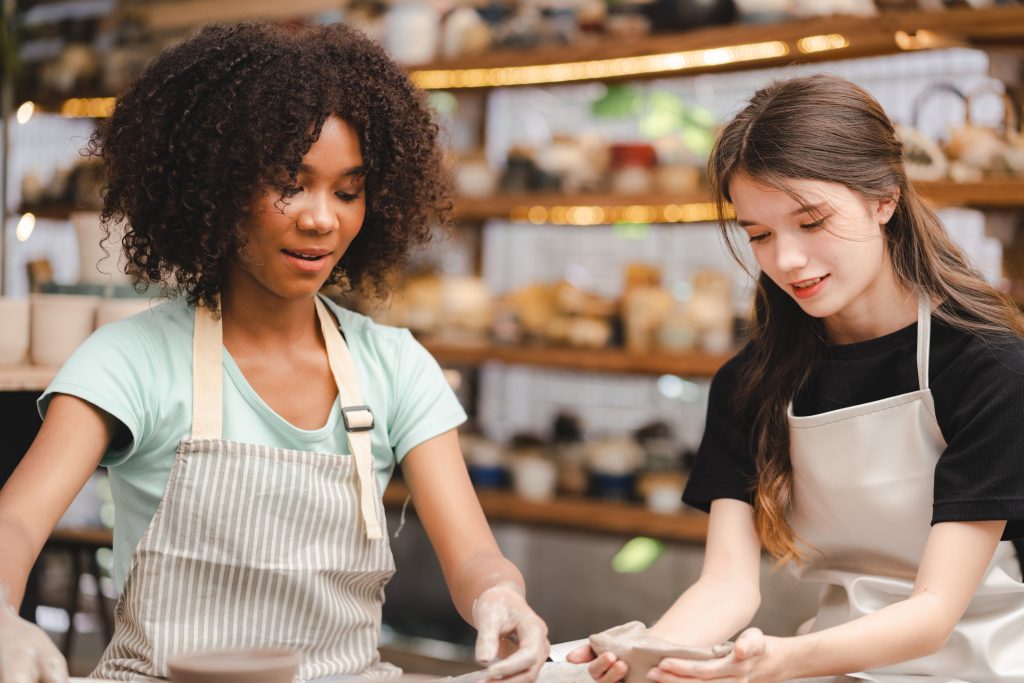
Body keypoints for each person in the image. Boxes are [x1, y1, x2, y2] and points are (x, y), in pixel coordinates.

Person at [0, 22, 549, 683]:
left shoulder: (395, 366)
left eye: (348, 190)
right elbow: (16, 524)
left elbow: (474, 559)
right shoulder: (128, 360)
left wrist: (500, 594)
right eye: (290, 183)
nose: (323, 218)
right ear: (217, 186)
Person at [569, 74, 1024, 682]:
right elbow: (727, 587)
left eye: (810, 222)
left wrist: (781, 660)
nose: (786, 260)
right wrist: (648, 655)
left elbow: (934, 613)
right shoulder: (752, 383)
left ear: (883, 198)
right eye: (759, 234)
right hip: (836, 666)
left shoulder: (988, 366)